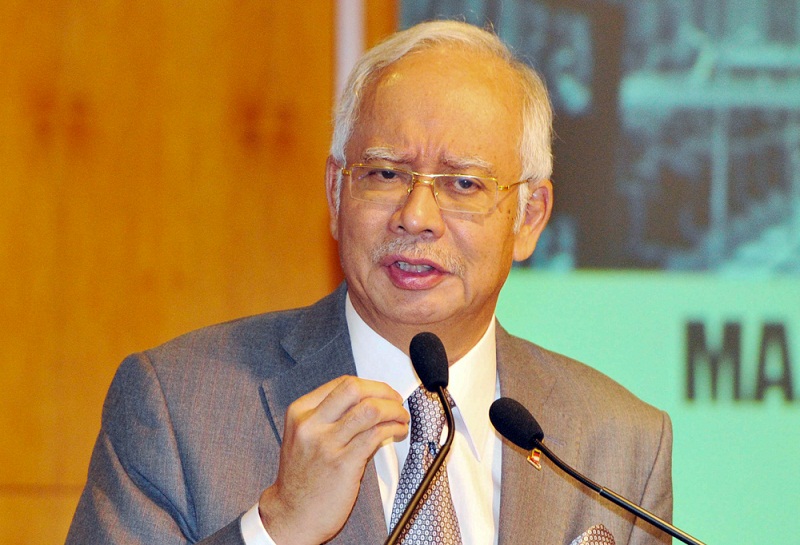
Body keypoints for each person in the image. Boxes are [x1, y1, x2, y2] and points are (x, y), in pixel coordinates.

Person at [66, 20, 672, 545]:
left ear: (529, 218)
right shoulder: (177, 409)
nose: (416, 216)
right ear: (336, 193)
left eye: (464, 184)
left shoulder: (618, 444)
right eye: (385, 173)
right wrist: (275, 528)